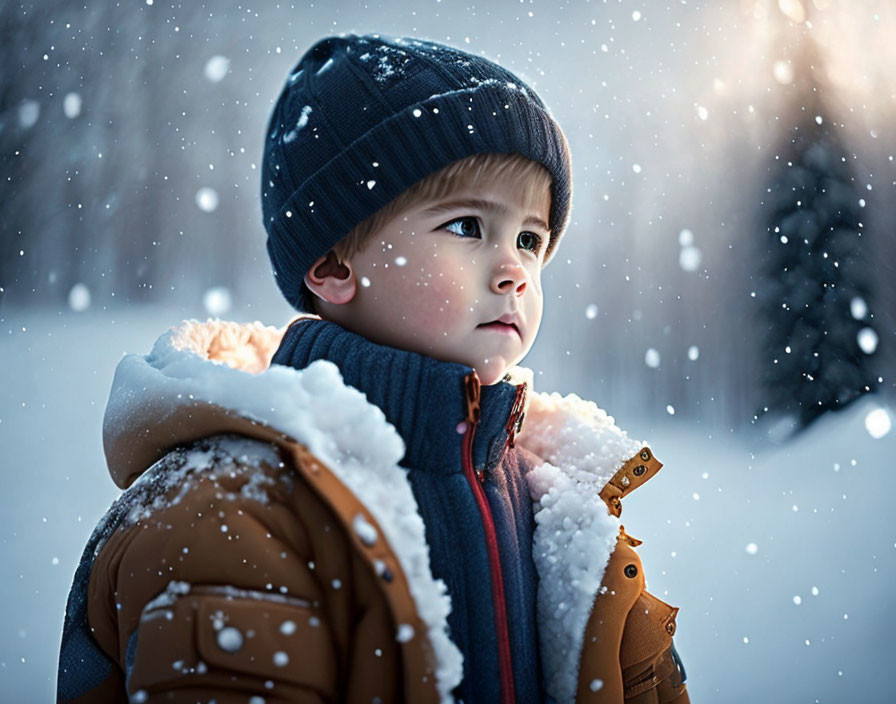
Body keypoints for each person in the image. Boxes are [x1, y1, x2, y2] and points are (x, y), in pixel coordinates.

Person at [57, 33, 689, 703]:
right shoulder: (227, 514)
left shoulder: (570, 516)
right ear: (334, 266)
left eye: (530, 239)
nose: (514, 271)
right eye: (468, 226)